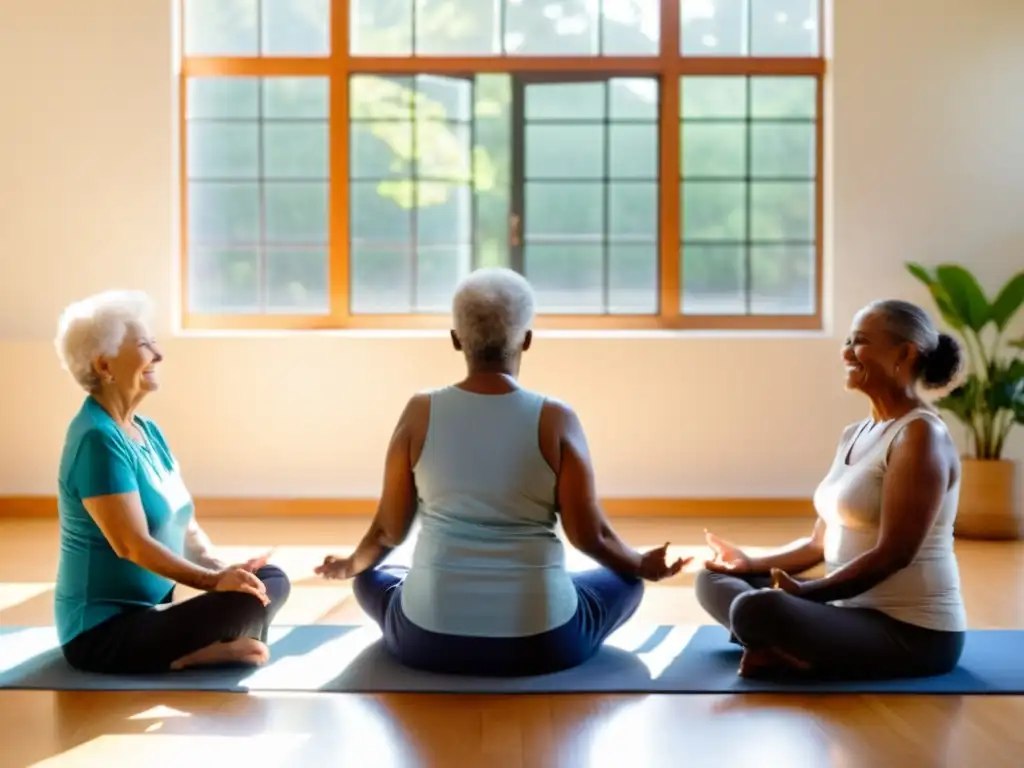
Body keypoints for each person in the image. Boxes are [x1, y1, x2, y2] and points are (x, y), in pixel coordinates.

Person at [316, 268, 687, 676]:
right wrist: (640, 565)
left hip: (428, 641)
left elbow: (388, 533)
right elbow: (590, 536)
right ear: (527, 339)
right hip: (544, 643)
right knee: (626, 581)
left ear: (456, 339)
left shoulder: (420, 412)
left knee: (370, 576)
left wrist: (350, 564)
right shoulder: (556, 418)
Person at [696, 299, 967, 680]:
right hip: (843, 609)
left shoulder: (920, 435)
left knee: (755, 609)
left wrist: (808, 595)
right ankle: (780, 646)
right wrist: (748, 564)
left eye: (860, 342)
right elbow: (817, 545)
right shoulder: (854, 434)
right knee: (713, 580)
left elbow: (895, 554)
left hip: (911, 633)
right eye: (848, 340)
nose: (846, 352)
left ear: (904, 354)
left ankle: (776, 642)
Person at [53, 290, 291, 674]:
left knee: (268, 580)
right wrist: (215, 582)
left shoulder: (147, 431)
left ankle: (216, 640)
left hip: (157, 611)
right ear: (104, 365)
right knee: (243, 599)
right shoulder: (96, 439)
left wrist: (228, 568)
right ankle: (202, 648)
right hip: (102, 635)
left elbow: (186, 527)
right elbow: (131, 545)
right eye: (145, 345)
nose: (158, 355)